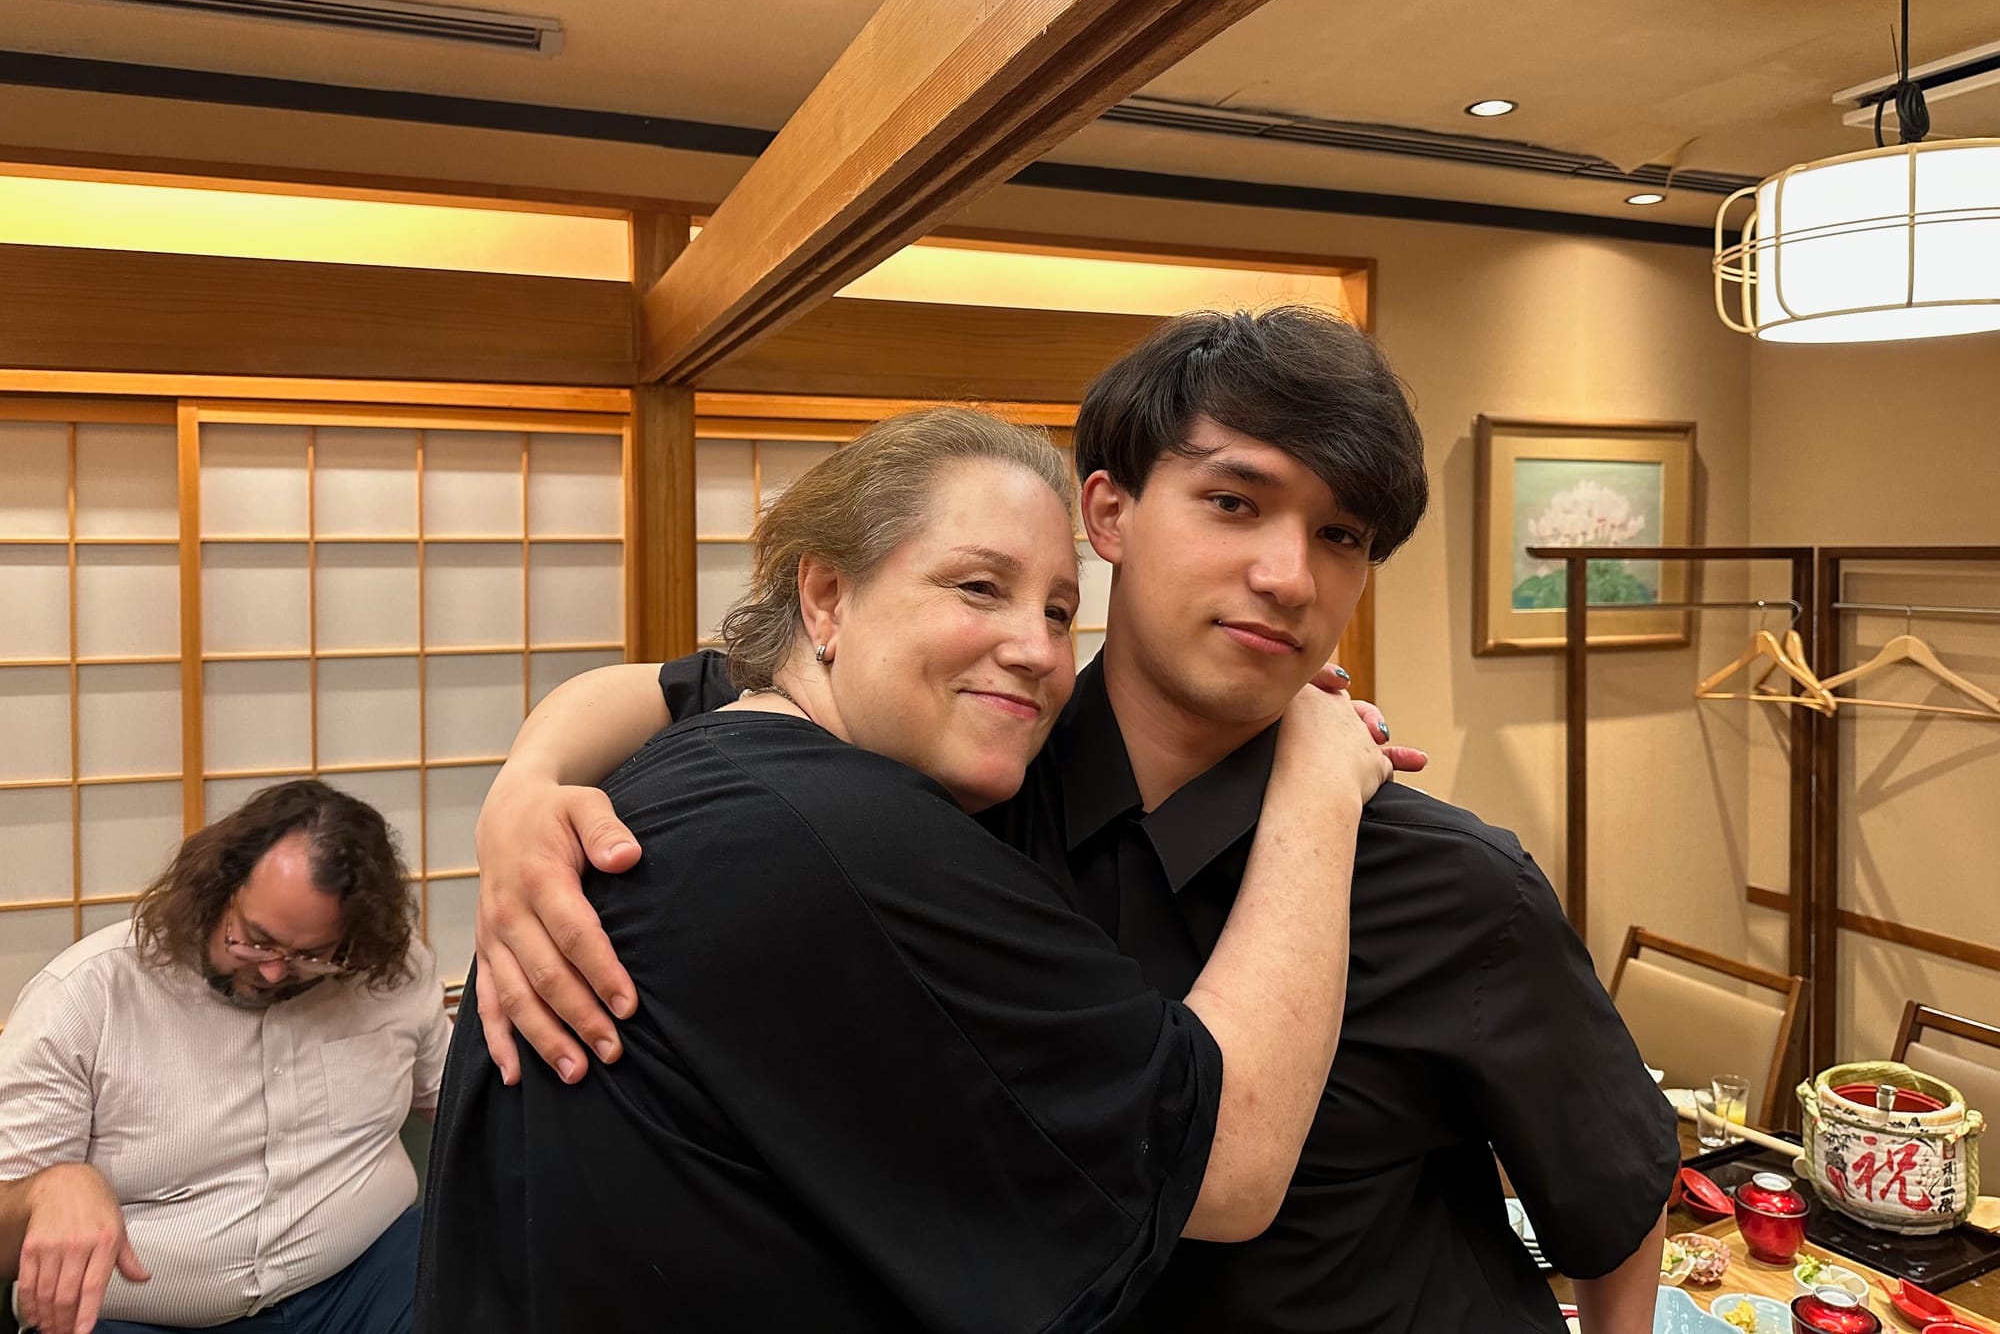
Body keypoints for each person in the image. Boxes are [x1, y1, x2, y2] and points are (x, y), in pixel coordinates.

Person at [474, 307, 1680, 1333]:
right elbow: (698, 691)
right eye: (1232, 502)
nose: (1288, 577)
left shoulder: (1454, 886)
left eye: (1340, 537)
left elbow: (1613, 1210)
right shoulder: (954, 770)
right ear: (1109, 513)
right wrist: (524, 788)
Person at [416, 406, 1395, 1332]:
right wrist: (1317, 781)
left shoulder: (702, 768)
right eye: (978, 588)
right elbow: (1224, 1165)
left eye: (1060, 612)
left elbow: (671, 684)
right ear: (827, 597)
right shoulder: (852, 839)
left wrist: (526, 776)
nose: (1036, 650)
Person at [0, 780, 451, 1334]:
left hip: (363, 1281)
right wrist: (46, 1189)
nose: (274, 972)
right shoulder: (88, 995)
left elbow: (457, 1103)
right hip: (138, 1319)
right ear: (217, 888)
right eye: (255, 939)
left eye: (312, 955)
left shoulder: (387, 972)